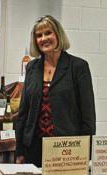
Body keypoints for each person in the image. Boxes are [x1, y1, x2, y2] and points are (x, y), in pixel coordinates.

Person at [15, 15, 96, 167]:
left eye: (48, 33)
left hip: (67, 150)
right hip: (33, 148)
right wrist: (19, 151)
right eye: (39, 35)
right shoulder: (32, 67)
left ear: (58, 35)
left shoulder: (78, 67)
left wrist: (86, 152)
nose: (43, 38)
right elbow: (23, 113)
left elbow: (88, 115)